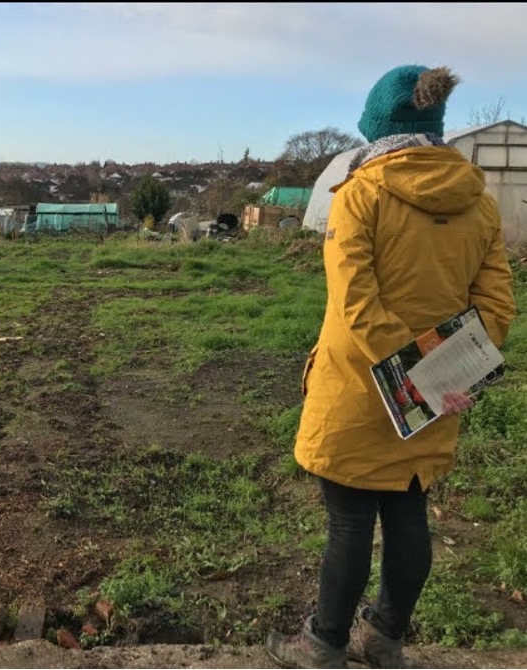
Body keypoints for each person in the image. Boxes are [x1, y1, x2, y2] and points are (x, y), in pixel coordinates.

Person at [265, 64, 518, 669]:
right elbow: (498, 308)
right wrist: (447, 374)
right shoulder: (478, 205)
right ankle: (384, 638)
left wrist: (407, 373)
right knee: (407, 506)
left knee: (349, 518)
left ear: (376, 127)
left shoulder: (360, 194)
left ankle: (323, 644)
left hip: (359, 386)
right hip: (438, 392)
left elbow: (356, 302)